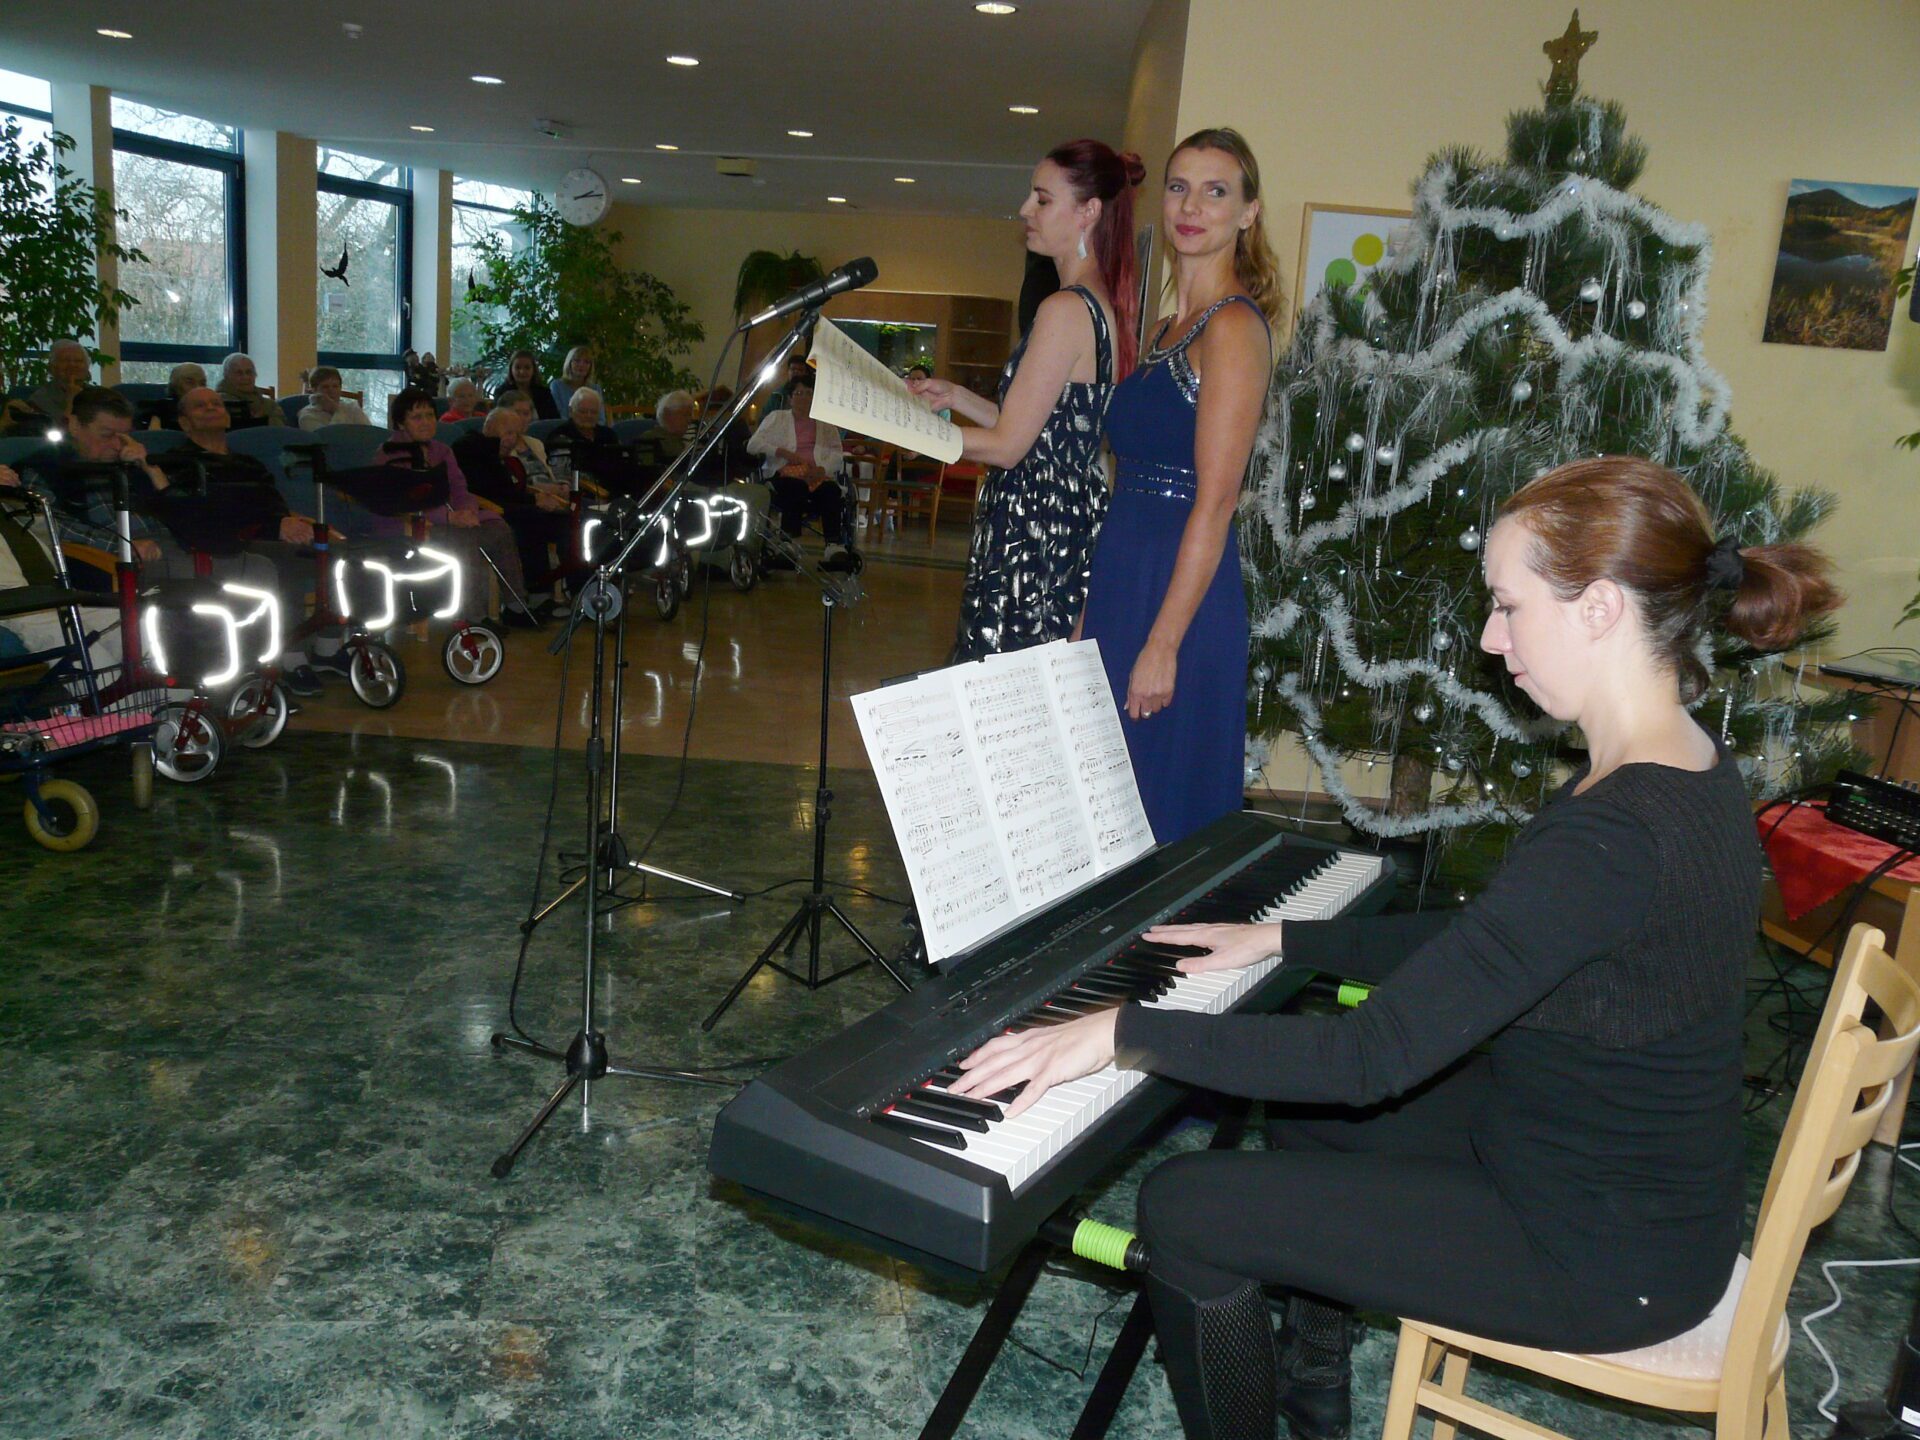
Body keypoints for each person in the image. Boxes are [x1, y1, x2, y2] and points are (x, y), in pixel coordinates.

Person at [950, 454, 1841, 1440]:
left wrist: (1124, 1031)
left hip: (1599, 1255)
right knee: (1311, 1119)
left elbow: (1369, 1057)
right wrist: (1283, 937)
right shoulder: (1683, 764)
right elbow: (1496, 940)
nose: (1491, 637)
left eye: (1508, 606)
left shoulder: (1615, 831)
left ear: (1598, 608)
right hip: (1619, 1179)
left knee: (1186, 1207)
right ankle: (1312, 1389)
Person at [1077, 128, 1280, 844]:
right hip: (1123, 577)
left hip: (1181, 602)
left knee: (1156, 810)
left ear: (1248, 213)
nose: (1192, 207)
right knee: (1104, 806)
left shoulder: (1233, 328)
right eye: (1179, 188)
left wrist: (1164, 643)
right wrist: (1090, 612)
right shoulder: (1165, 328)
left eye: (1215, 191)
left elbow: (1216, 502)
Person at [908, 139, 1142, 662]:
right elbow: (1041, 428)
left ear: (1088, 212)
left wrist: (910, 431)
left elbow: (1009, 446)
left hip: (1035, 533)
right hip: (1058, 521)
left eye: (1042, 199)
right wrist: (956, 396)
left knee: (1008, 682)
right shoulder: (1096, 302)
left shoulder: (1065, 308)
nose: (1024, 210)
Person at [147, 386, 334, 693]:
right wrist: (275, 527)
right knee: (284, 563)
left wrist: (287, 521)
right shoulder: (177, 463)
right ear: (184, 423)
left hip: (271, 532)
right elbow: (201, 516)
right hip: (224, 542)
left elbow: (273, 502)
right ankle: (289, 659)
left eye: (216, 403)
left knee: (335, 552)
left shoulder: (248, 463)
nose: (211, 408)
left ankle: (329, 647)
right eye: (200, 406)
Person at [379, 388, 534, 624]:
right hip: (408, 526)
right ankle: (474, 617)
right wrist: (450, 518)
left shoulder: (442, 451)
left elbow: (461, 489)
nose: (426, 422)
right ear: (401, 423)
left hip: (449, 522)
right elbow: (405, 502)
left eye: (429, 415)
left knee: (499, 528)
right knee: (464, 540)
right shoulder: (390, 454)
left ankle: (516, 606)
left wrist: (468, 510)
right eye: (417, 417)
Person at [15, 387, 169, 567]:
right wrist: (124, 547)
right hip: (109, 563)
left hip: (168, 554)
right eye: (107, 435)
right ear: (74, 425)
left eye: (125, 436)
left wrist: (151, 470)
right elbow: (50, 526)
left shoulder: (133, 463)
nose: (118, 445)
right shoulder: (43, 468)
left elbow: (181, 518)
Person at [452, 406, 580, 603]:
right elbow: (488, 491)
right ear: (490, 428)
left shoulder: (502, 457)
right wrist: (534, 501)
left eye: (516, 434)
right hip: (488, 509)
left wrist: (538, 499)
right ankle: (538, 593)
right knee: (533, 519)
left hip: (512, 505)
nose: (512, 440)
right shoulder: (468, 448)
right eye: (508, 433)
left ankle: (578, 589)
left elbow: (512, 490)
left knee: (568, 521)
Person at [744, 371, 856, 570]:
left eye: (809, 393)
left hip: (817, 475)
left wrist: (822, 469)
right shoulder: (777, 418)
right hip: (785, 473)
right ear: (790, 398)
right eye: (798, 393)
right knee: (793, 487)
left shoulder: (825, 422)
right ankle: (788, 544)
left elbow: (836, 453)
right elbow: (753, 445)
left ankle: (834, 546)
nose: (804, 397)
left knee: (831, 491)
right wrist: (781, 452)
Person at [25, 339, 92, 427]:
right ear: (52, 368)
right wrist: (72, 400)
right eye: (65, 360)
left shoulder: (100, 394)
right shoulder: (39, 399)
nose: (72, 365)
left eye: (78, 361)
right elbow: (62, 431)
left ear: (87, 367)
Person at [296, 367, 373, 430]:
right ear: (314, 390)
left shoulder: (352, 408)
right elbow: (332, 439)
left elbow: (370, 434)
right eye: (325, 387)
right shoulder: (307, 415)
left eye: (335, 386)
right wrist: (336, 410)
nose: (331, 390)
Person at [493, 350, 558, 420]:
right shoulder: (501, 392)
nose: (522, 372)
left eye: (527, 368)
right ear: (511, 370)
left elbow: (554, 419)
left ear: (533, 370)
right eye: (517, 368)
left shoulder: (544, 393)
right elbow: (499, 419)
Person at [216, 353, 276, 425]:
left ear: (255, 375)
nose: (245, 377)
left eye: (249, 372)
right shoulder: (219, 403)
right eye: (239, 373)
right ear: (226, 376)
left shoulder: (270, 405)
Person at [154, 362, 208, 430]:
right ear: (175, 385)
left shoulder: (212, 409)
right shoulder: (162, 408)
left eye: (202, 383)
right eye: (190, 382)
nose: (198, 388)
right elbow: (154, 434)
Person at [550, 345, 596, 416]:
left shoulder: (595, 389)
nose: (581, 365)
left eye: (586, 362)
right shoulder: (557, 386)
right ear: (569, 363)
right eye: (577, 360)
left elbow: (601, 418)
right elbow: (558, 416)